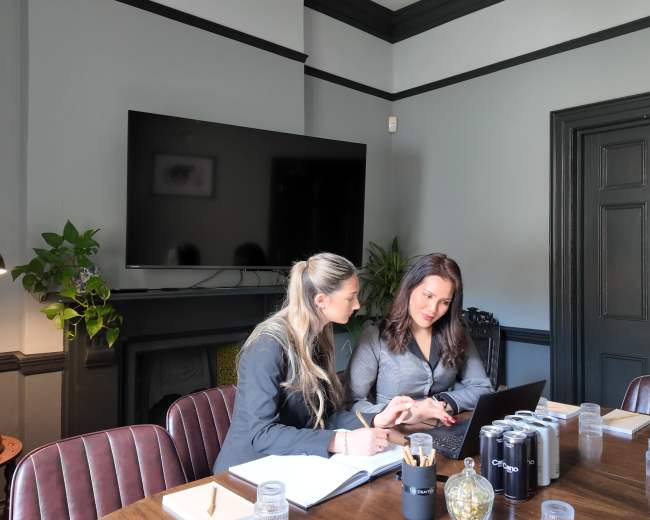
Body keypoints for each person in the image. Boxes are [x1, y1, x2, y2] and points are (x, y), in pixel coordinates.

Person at [213, 252, 416, 473]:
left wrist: (377, 418)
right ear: (321, 300)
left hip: (290, 463)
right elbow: (262, 435)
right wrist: (343, 442)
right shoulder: (267, 347)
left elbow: (324, 418)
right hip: (245, 472)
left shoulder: (316, 339)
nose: (357, 304)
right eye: (351, 297)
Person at [346, 253, 493, 425]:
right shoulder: (374, 336)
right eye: (428, 295)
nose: (433, 309)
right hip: (392, 437)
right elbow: (352, 403)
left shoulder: (457, 333)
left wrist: (437, 405)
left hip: (444, 431)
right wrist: (408, 412)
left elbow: (483, 388)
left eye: (444, 302)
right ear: (409, 288)